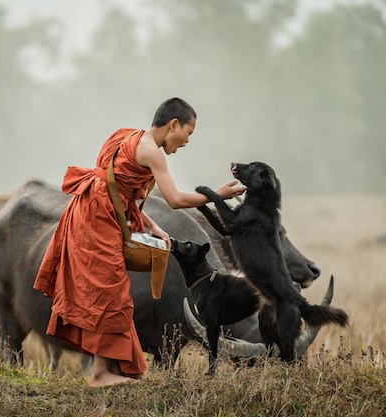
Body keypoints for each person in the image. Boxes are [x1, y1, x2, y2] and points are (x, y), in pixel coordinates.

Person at [33, 97, 247, 387]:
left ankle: (105, 370)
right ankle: (99, 375)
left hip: (92, 211)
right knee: (112, 294)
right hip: (97, 221)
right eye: (189, 133)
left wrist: (153, 226)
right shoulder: (152, 153)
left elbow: (117, 189)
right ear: (174, 124)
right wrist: (216, 195)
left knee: (109, 293)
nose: (186, 141)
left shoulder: (127, 136)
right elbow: (175, 199)